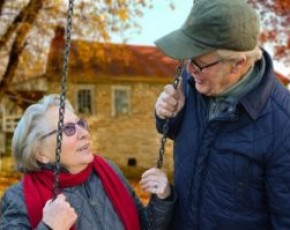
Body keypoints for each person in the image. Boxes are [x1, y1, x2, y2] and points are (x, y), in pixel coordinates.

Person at [154, 0, 290, 229]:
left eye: (199, 63)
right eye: (188, 59)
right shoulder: (192, 83)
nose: (189, 70)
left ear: (237, 64)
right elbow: (177, 132)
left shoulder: (283, 125)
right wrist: (167, 114)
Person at [0, 94, 175, 230]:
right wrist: (49, 227)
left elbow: (144, 226)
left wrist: (162, 198)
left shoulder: (109, 172)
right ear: (41, 154)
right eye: (68, 129)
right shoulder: (18, 198)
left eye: (80, 124)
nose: (83, 133)